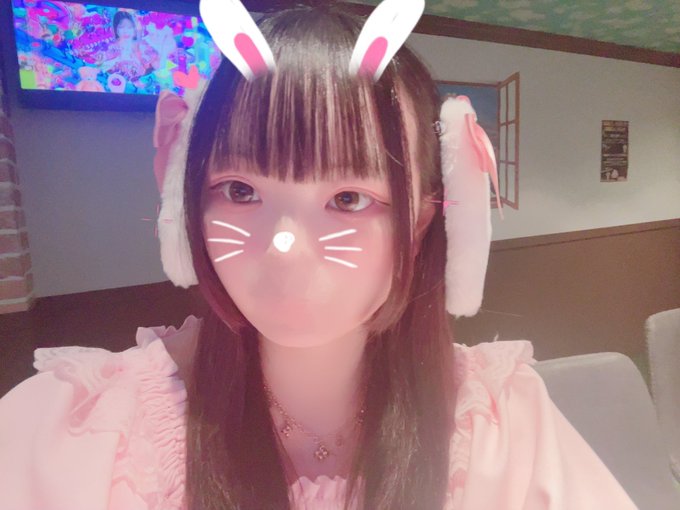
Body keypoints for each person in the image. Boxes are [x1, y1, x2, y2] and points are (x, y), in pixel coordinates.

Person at [0, 1, 639, 509]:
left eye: (348, 198)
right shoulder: (76, 432)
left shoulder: (503, 427)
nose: (285, 246)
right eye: (240, 191)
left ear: (424, 221)